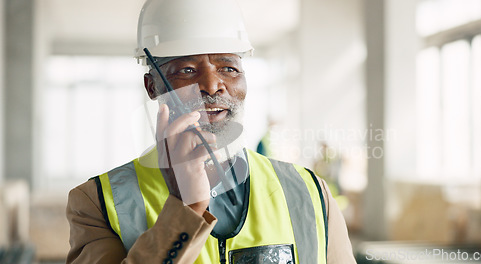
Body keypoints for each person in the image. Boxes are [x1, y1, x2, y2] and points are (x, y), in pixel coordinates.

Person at [65, 0, 356, 263]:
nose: (213, 85)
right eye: (188, 70)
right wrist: (185, 209)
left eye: (228, 68)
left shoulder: (310, 192)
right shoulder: (99, 203)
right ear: (152, 87)